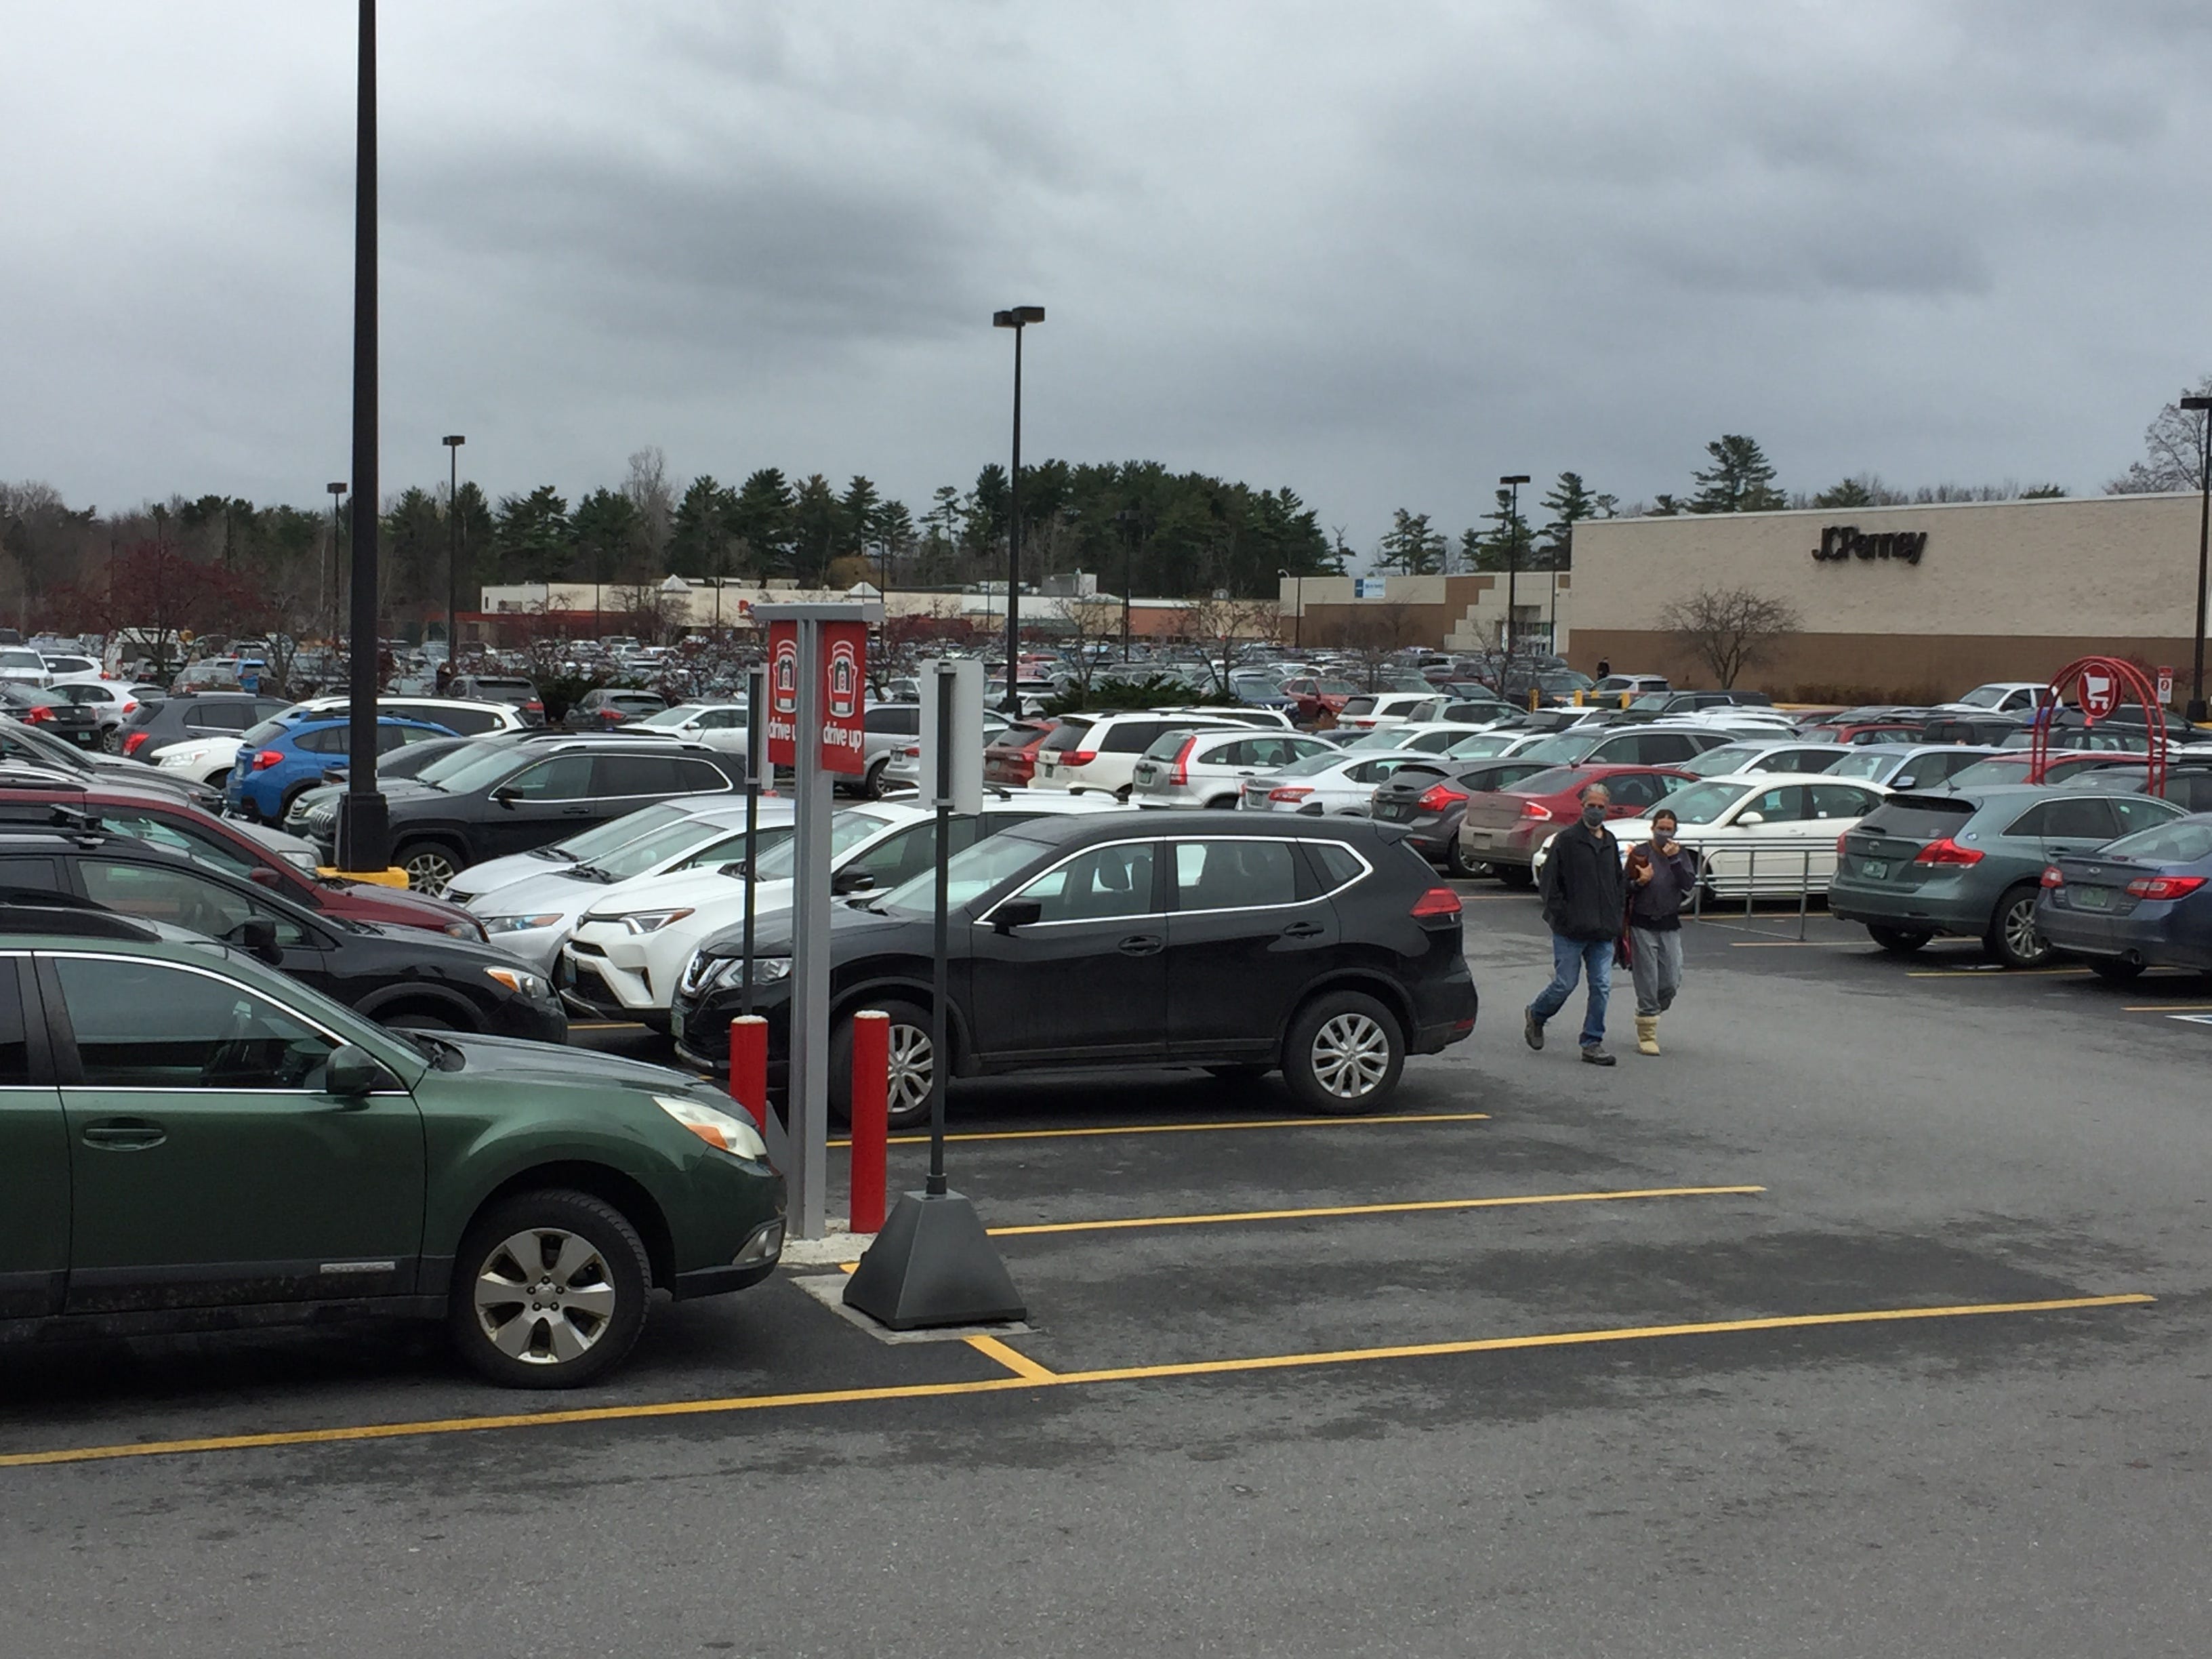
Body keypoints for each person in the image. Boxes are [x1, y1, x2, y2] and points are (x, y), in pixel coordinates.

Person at [1525, 783, 1627, 1065]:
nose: (1596, 811)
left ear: (1607, 808)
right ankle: (1537, 1014)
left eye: (1600, 806)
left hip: (1602, 930)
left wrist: (1616, 916)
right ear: (1582, 807)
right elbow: (1549, 885)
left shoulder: (1610, 841)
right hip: (1570, 930)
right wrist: (1564, 916)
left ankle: (1592, 1042)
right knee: (1565, 984)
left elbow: (1617, 882)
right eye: (1590, 806)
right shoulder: (1567, 840)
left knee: (1602, 986)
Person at [1623, 807, 1697, 1056]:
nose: (1664, 833)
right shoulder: (1641, 853)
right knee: (1648, 980)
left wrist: (1674, 860)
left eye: (1669, 829)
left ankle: (1654, 1009)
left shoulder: (1681, 854)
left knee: (1671, 981)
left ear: (1675, 831)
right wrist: (1640, 882)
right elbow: (1624, 886)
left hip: (1669, 924)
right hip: (1642, 924)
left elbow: (1688, 884)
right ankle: (1647, 1032)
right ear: (1652, 828)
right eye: (1660, 828)